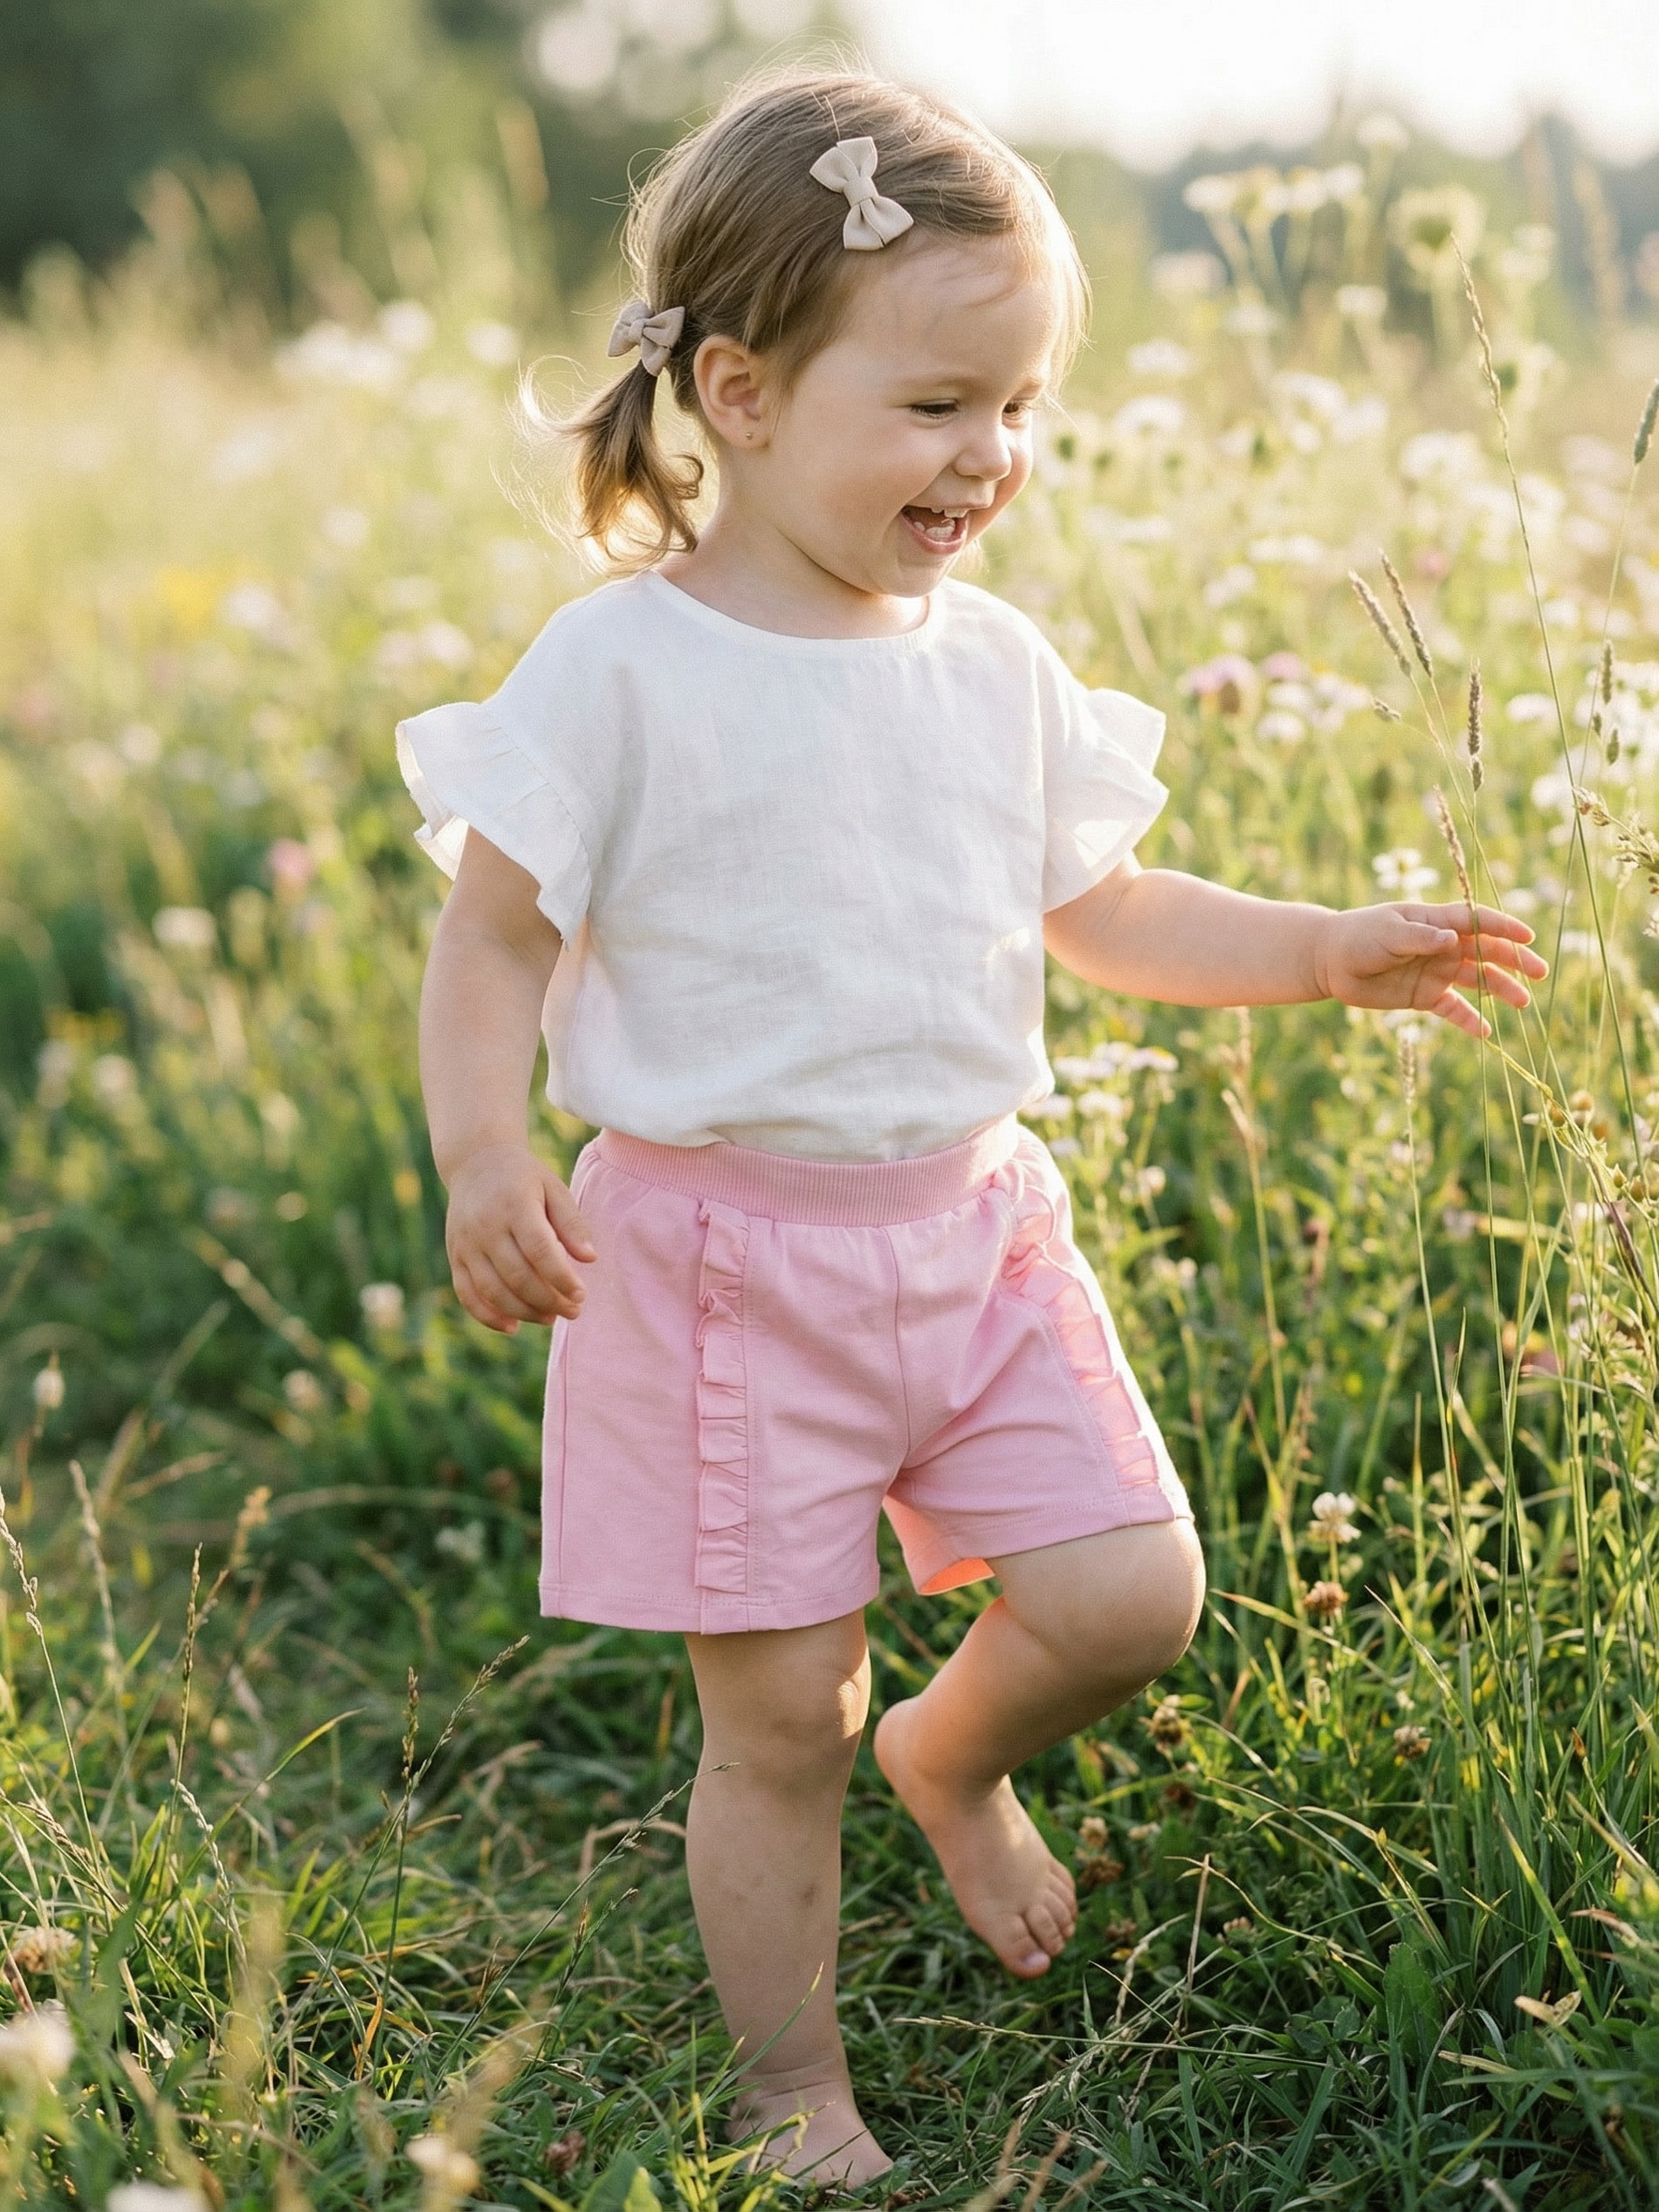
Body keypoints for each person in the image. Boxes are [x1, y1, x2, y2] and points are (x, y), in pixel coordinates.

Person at [396, 66, 1545, 2186]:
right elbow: (491, 943)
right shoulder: (617, 672)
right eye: (935, 404)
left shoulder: (994, 665)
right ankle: (791, 2091)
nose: (990, 454)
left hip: (978, 1237)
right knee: (779, 1718)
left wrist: (1319, 950)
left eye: (1019, 405)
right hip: (719, 1272)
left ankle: (954, 1753)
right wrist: (485, 1153)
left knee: (1127, 1592)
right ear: (739, 392)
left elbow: (1099, 907)